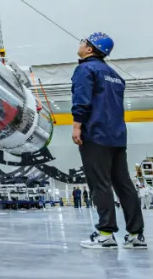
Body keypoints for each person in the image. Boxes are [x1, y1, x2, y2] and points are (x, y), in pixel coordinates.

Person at [73, 33, 145, 249]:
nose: (80, 44)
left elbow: (82, 100)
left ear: (90, 49)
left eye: (83, 42)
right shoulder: (115, 75)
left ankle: (105, 234)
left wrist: (77, 126)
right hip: (117, 137)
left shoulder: (85, 69)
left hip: (96, 135)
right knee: (124, 185)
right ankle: (136, 235)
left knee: (100, 184)